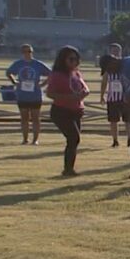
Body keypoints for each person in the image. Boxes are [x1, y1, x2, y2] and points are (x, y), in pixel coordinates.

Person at [45, 47, 89, 176]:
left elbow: (85, 88)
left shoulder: (76, 73)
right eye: (71, 59)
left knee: (74, 140)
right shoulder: (57, 75)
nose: (74, 62)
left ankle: (69, 168)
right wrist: (69, 97)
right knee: (73, 137)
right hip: (61, 111)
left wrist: (84, 93)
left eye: (77, 59)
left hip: (76, 111)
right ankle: (68, 169)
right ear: (63, 60)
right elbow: (50, 93)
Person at [6, 44, 50, 145]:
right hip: (22, 94)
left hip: (35, 95)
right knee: (24, 117)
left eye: (29, 51)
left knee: (35, 118)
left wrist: (43, 84)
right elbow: (9, 72)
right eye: (25, 52)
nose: (27, 54)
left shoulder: (37, 64)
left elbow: (51, 74)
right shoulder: (18, 64)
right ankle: (25, 139)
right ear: (22, 53)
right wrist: (14, 82)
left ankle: (35, 139)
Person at [100, 42, 126, 148]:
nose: (115, 53)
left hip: (126, 97)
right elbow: (104, 81)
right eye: (113, 51)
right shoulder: (108, 66)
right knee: (113, 121)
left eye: (116, 51)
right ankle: (115, 140)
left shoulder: (125, 64)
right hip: (112, 98)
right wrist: (102, 95)